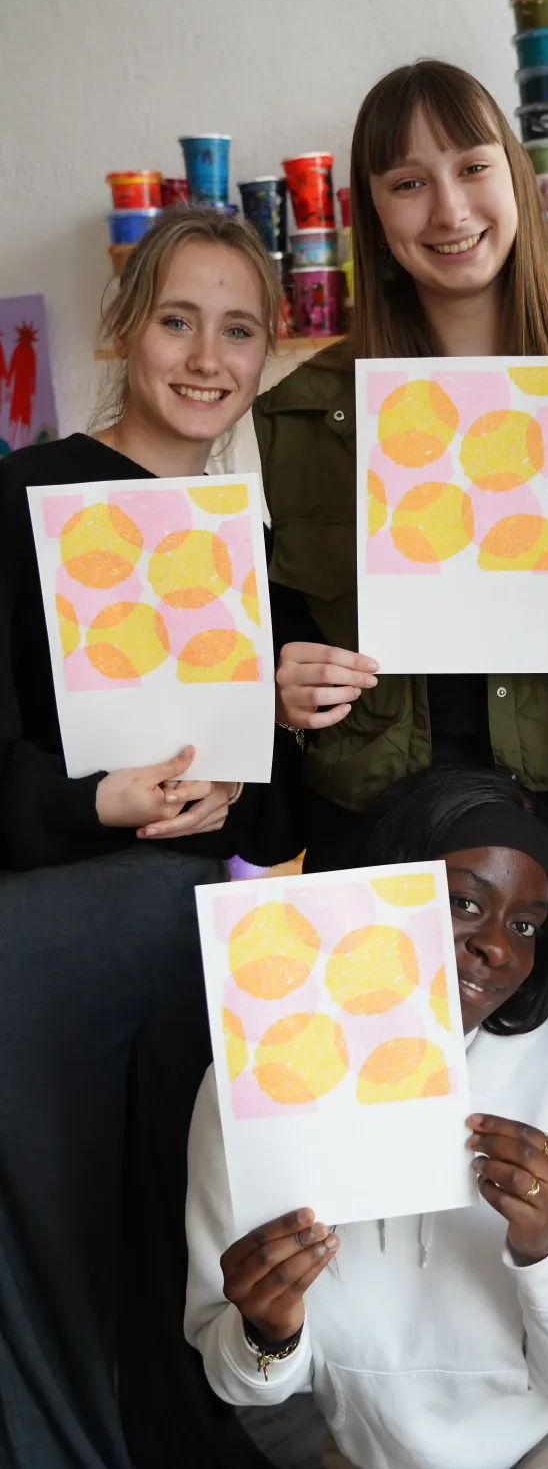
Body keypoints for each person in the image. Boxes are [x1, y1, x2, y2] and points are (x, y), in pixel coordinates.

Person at [259, 60, 548, 1463]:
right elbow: (269, 652)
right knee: (372, 1172)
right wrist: (280, 687)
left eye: (470, 169)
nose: (447, 208)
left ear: (517, 182)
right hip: (380, 837)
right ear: (370, 211)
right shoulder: (306, 407)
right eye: (406, 181)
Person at [0, 207, 301, 1469]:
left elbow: (270, 820)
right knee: (54, 1255)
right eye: (178, 320)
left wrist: (268, 739)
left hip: (189, 943)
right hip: (47, 941)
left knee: (177, 1239)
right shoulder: (23, 496)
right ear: (125, 327)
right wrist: (95, 802)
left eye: (238, 330)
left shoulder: (249, 542)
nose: (206, 357)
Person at [186, 764, 548, 1469]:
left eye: (525, 925)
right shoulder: (256, 1082)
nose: (498, 947)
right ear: (376, 890)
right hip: (381, 1447)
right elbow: (243, 1382)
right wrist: (269, 1333)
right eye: (464, 903)